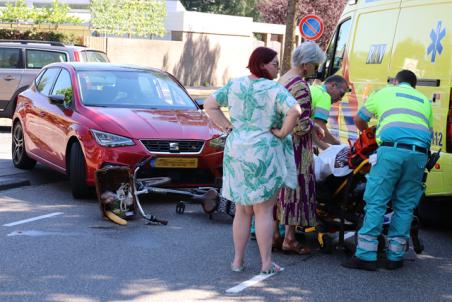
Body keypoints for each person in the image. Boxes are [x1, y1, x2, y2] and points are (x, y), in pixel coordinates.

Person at [204, 47, 302, 274]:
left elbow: (210, 105)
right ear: (262, 64)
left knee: (242, 210)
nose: (278, 67)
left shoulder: (234, 85)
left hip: (237, 149)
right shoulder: (274, 89)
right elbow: (294, 111)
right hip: (263, 151)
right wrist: (282, 133)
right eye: (275, 63)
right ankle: (266, 263)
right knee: (264, 210)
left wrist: (228, 126)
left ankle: (237, 261)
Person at [342, 70, 433, 271]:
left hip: (391, 151)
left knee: (377, 201)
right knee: (405, 205)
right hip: (419, 155)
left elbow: (359, 119)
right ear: (414, 86)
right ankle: (395, 256)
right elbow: (429, 131)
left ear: (395, 82)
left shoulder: (385, 93)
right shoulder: (424, 101)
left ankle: (366, 255)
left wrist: (369, 133)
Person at [274, 42, 326, 254]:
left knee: (279, 191)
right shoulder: (300, 86)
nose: (316, 70)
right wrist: (313, 125)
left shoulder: (282, 79)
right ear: (306, 64)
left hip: (279, 142)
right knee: (294, 191)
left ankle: (275, 236)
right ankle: (289, 238)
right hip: (295, 147)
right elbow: (301, 125)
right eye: (315, 65)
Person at [310, 75, 349, 149]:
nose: (340, 99)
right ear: (333, 85)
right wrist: (339, 145)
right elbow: (320, 131)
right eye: (341, 94)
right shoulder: (324, 96)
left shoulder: (313, 88)